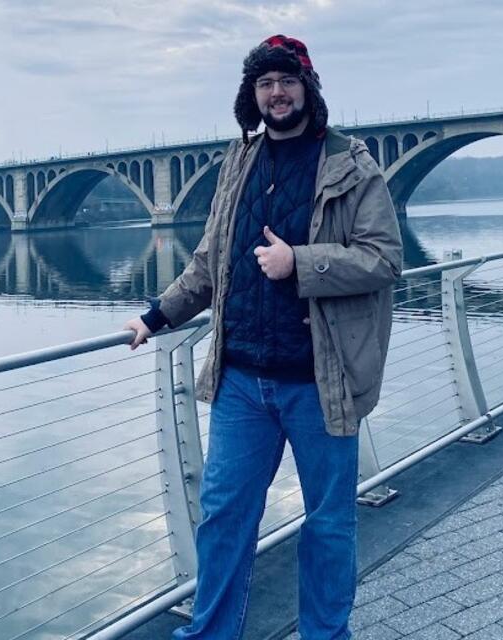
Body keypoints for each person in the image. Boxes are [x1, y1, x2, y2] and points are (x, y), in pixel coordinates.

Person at [124, 34, 403, 640]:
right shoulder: (239, 161)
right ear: (252, 96)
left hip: (320, 382)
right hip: (242, 381)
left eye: (288, 81)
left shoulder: (351, 163)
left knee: (328, 524)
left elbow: (383, 260)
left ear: (308, 88)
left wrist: (299, 263)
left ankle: (325, 636)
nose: (277, 93)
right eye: (265, 83)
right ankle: (211, 633)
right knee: (224, 517)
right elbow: (209, 259)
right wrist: (157, 316)